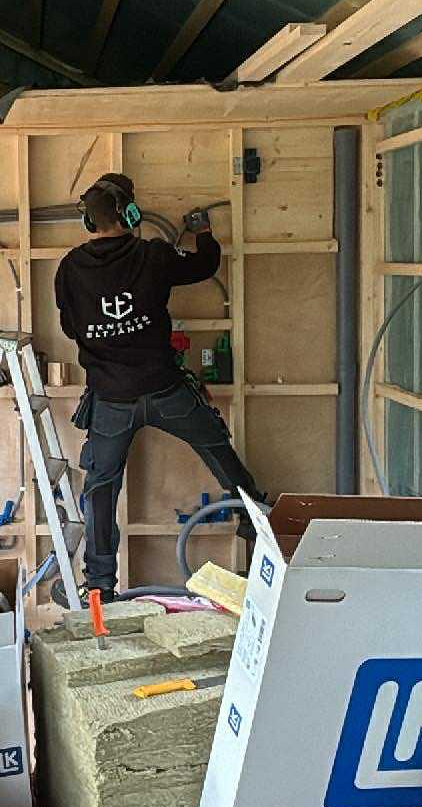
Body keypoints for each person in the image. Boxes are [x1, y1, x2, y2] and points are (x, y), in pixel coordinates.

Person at [54, 173, 265, 602]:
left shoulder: (70, 268)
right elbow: (205, 265)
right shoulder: (152, 255)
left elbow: (71, 328)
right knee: (217, 450)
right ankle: (256, 521)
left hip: (111, 399)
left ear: (88, 222)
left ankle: (100, 585)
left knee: (101, 488)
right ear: (130, 214)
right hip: (166, 390)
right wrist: (204, 232)